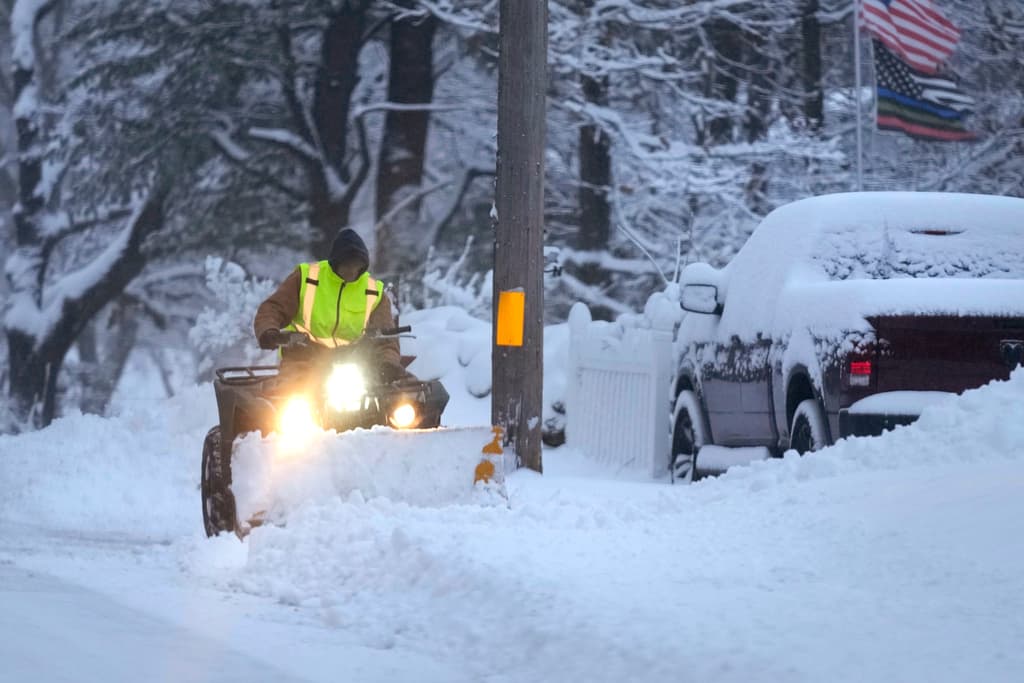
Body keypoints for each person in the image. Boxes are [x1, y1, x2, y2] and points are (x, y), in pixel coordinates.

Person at [253, 228, 407, 382]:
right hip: (302, 360)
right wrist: (269, 331)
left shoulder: (373, 291)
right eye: (346, 265)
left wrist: (388, 363)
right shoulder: (307, 277)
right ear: (335, 262)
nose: (351, 270)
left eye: (356, 265)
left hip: (356, 366)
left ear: (363, 265)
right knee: (288, 394)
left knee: (389, 395)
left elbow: (386, 338)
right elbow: (274, 308)